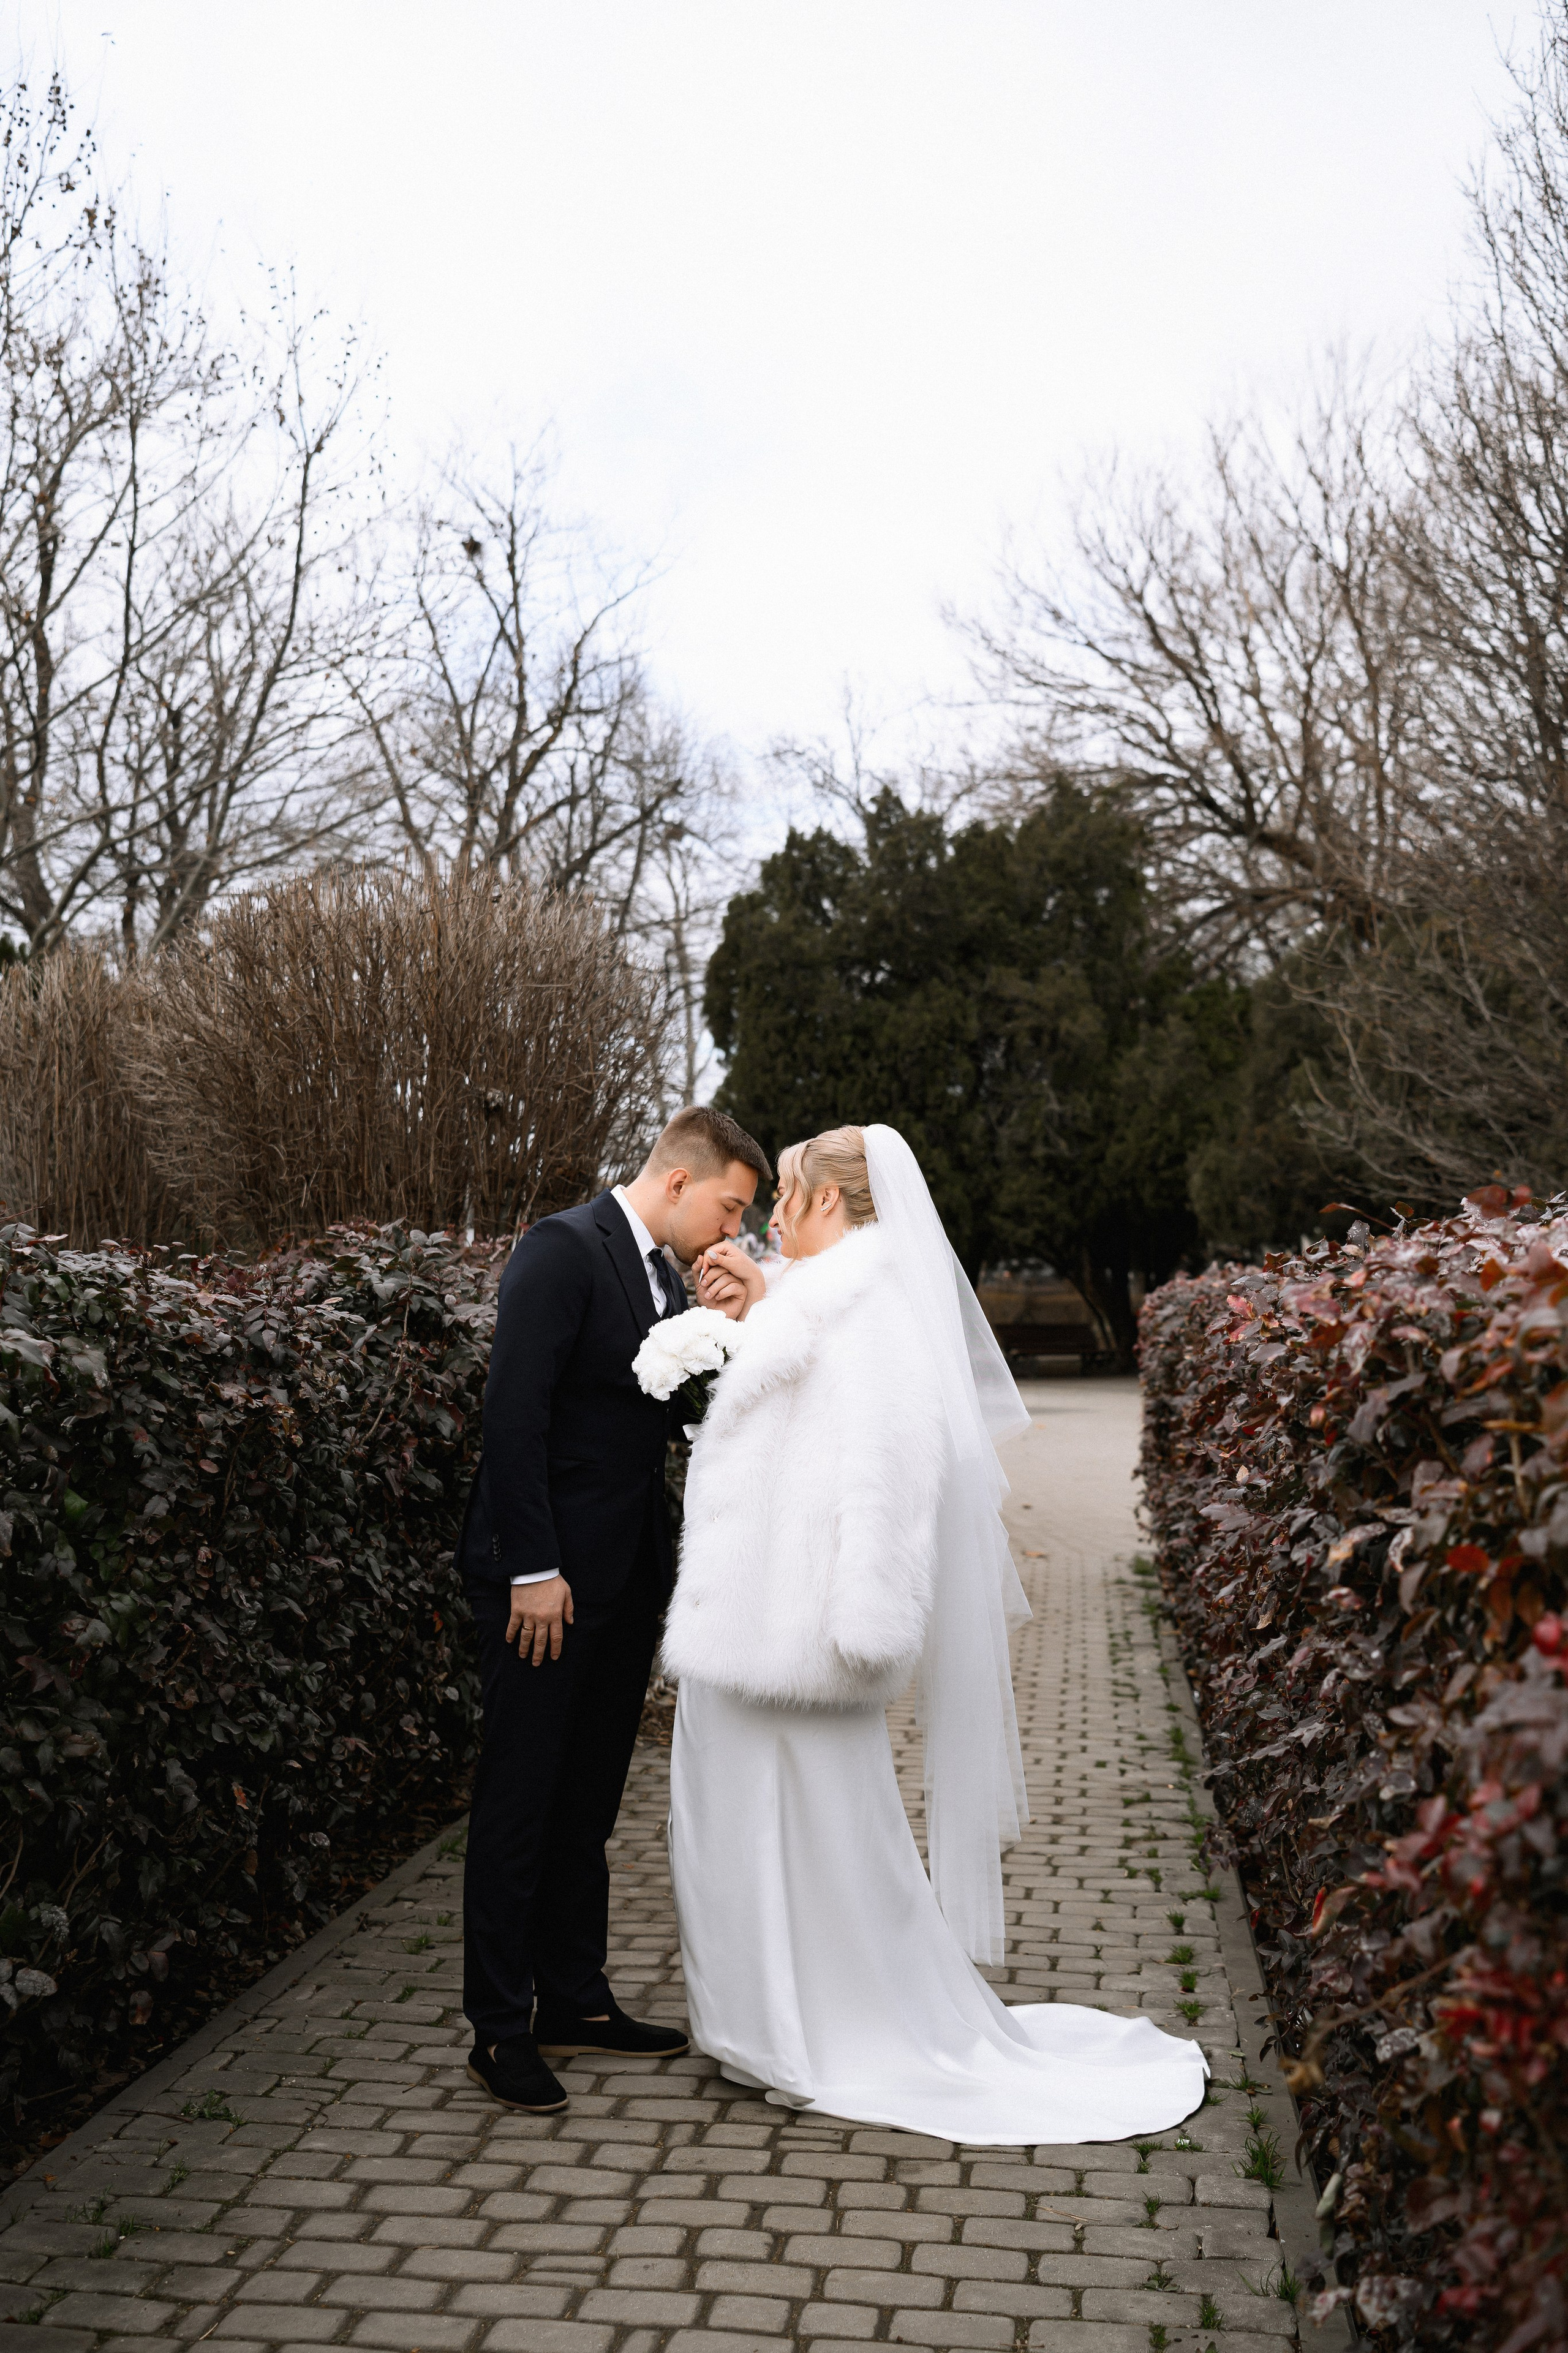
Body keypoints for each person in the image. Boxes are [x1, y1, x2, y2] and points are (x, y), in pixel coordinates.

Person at [672, 1122, 1207, 2144]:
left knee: (819, 1838)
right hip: (750, 1619)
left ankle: (808, 2030)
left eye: (786, 1191)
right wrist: (756, 1306)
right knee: (739, 1823)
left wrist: (866, 1625)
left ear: (831, 1199)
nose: (774, 1212)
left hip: (805, 1636)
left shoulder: (872, 1310)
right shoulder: (829, 1296)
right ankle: (763, 2022)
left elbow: (885, 1474)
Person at [459, 1105, 770, 2113]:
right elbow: (515, 1411)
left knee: (588, 1800)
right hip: (546, 1588)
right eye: (729, 1208)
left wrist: (729, 1326)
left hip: (626, 1581)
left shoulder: (661, 1274)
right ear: (679, 1181)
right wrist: (531, 1566)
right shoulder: (561, 1249)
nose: (731, 1231)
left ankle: (576, 1999)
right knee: (520, 1801)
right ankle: (500, 2029)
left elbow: (657, 1410)